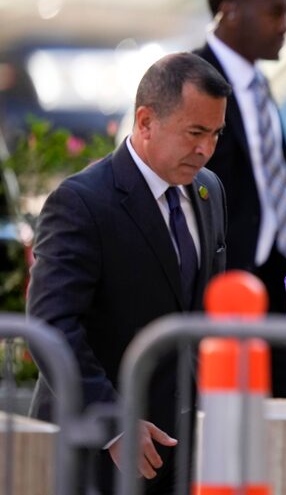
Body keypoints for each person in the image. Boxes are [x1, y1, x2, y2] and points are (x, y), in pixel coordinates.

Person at [28, 52, 230, 494]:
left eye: (215, 134)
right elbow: (51, 324)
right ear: (144, 122)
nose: (206, 149)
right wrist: (114, 422)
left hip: (180, 452)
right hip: (95, 456)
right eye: (195, 132)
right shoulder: (81, 202)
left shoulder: (208, 190)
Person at [194, 0, 286, 398]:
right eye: (274, 12)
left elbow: (272, 174)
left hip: (278, 276)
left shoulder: (257, 84)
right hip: (223, 283)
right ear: (231, 12)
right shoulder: (192, 78)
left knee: (274, 417)